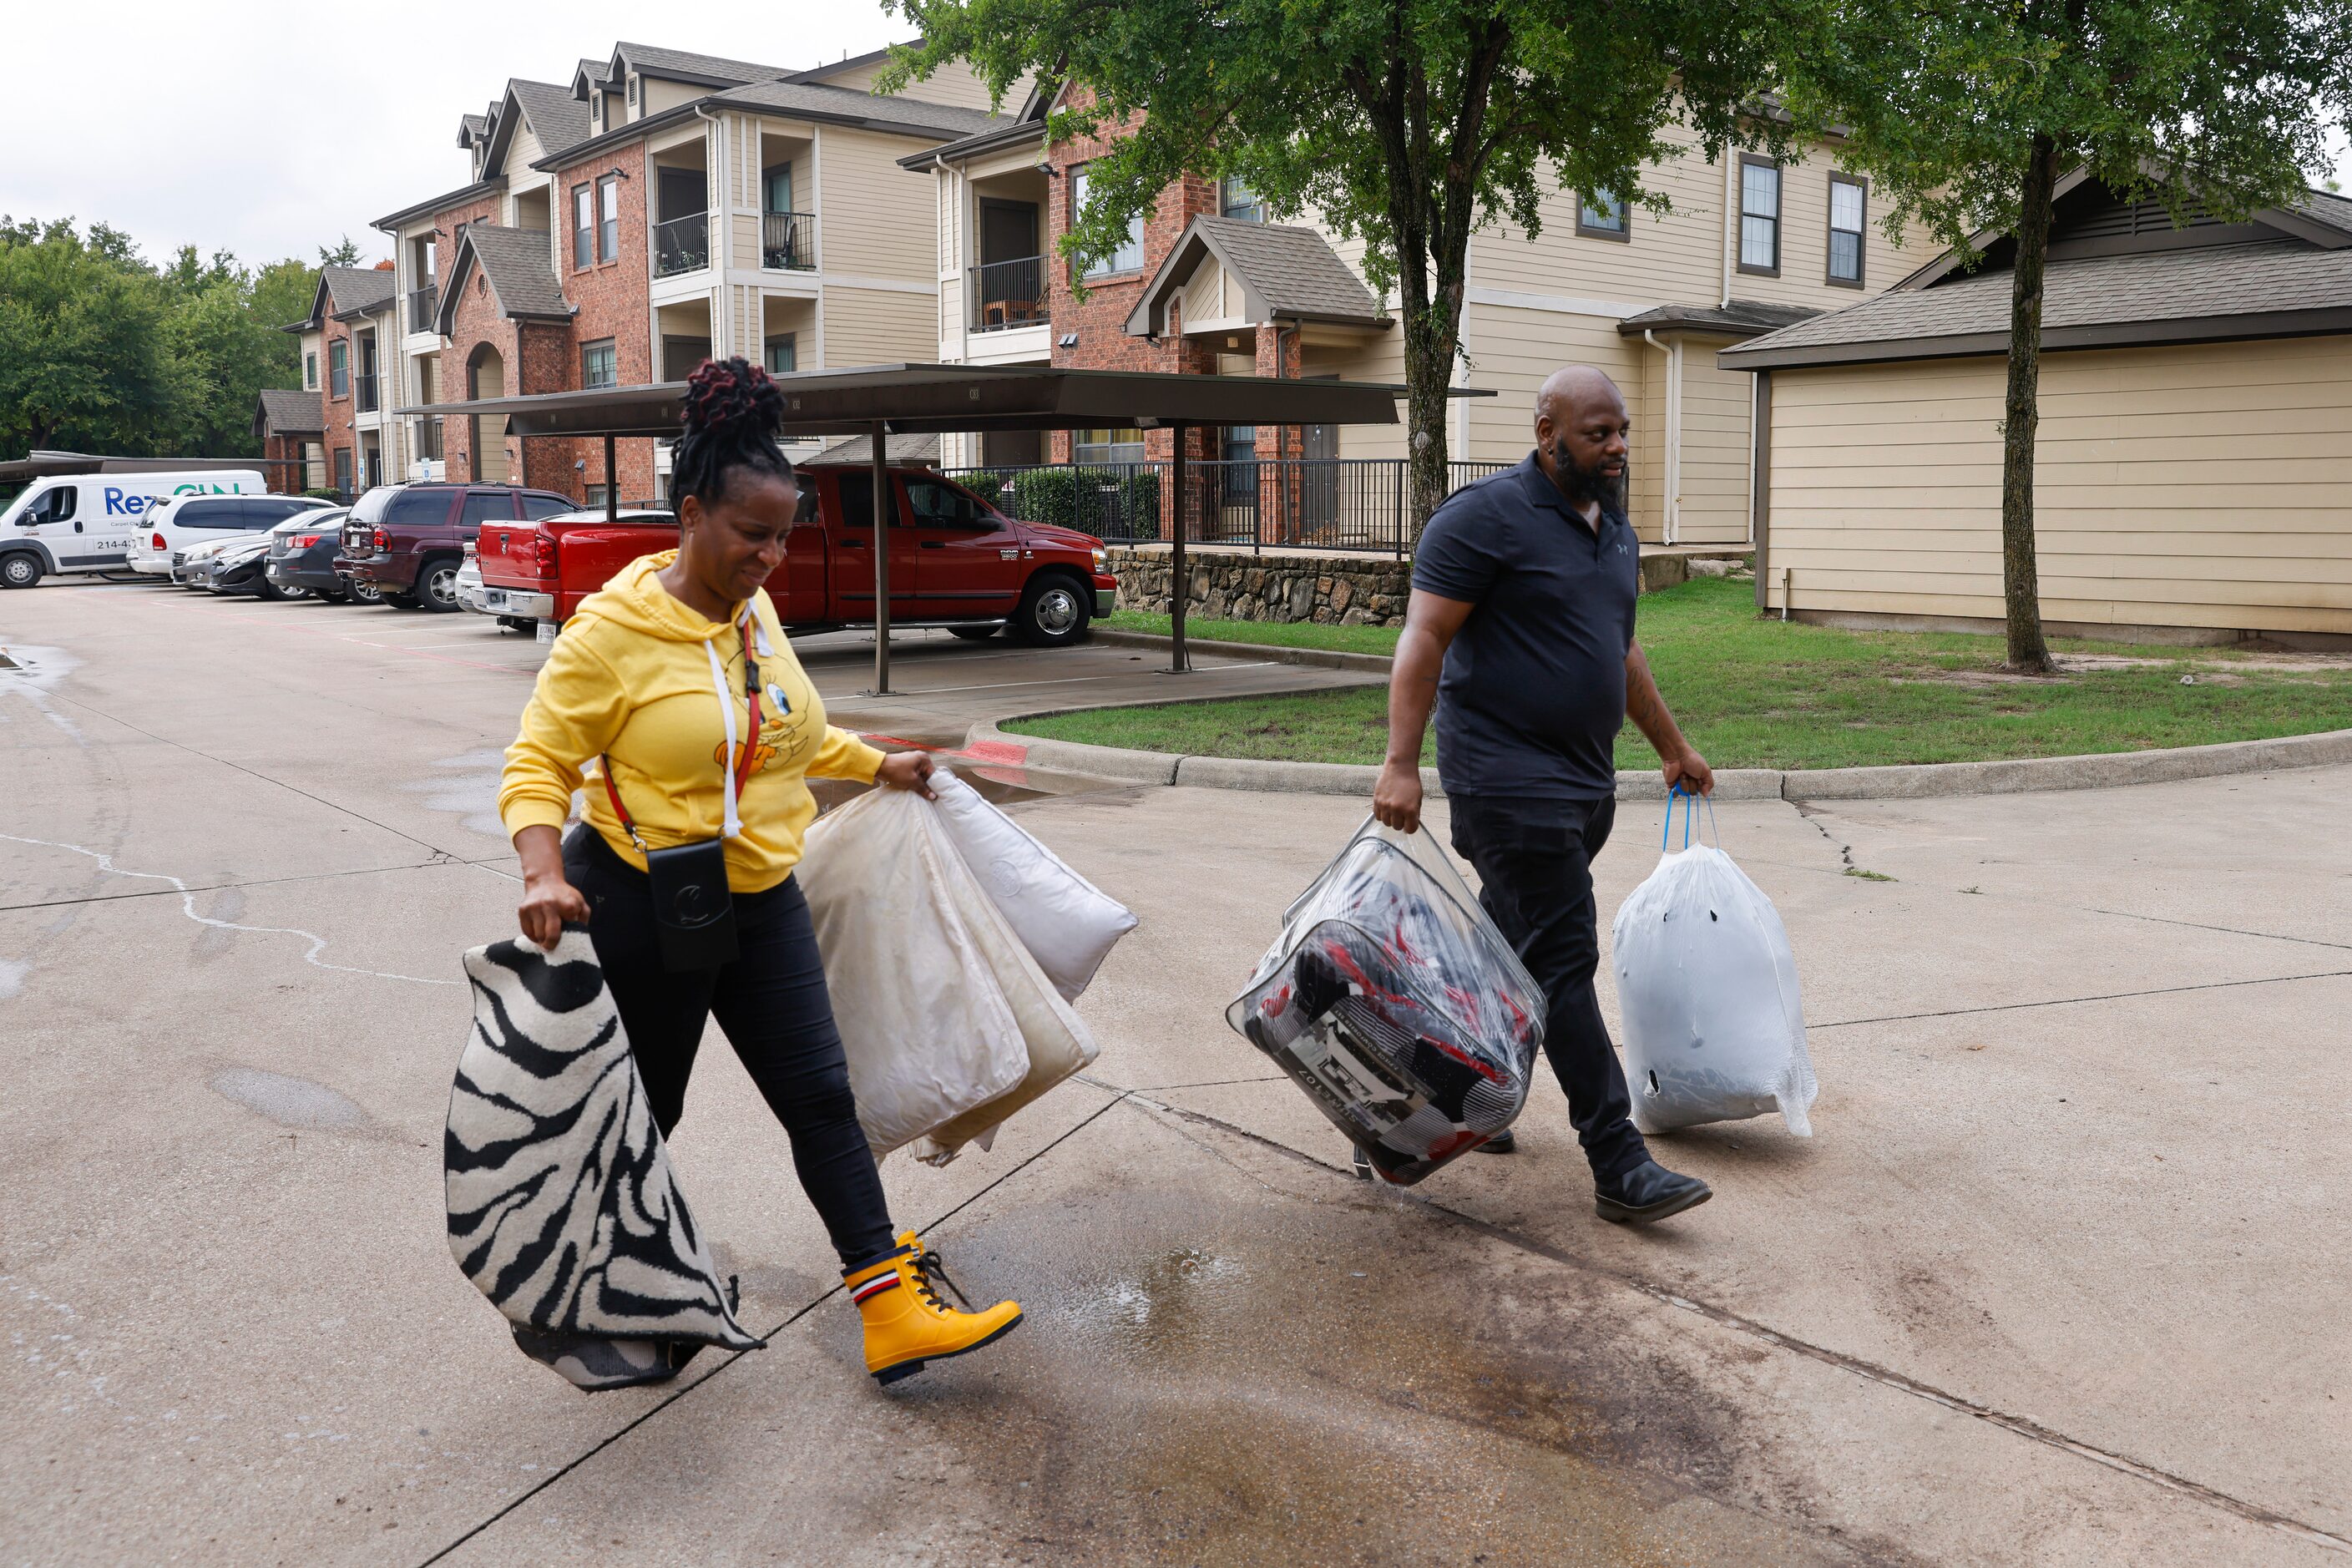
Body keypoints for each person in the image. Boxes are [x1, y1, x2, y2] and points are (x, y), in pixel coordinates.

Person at [498, 357, 1023, 1383]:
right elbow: (536, 761)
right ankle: (599, 1295)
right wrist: (538, 872)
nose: (772, 557)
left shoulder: (753, 614)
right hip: (643, 898)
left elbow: (787, 734)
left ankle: (887, 1309)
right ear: (691, 514)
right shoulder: (611, 635)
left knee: (821, 1097)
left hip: (757, 896)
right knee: (646, 1113)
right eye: (753, 534)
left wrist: (881, 762)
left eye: (783, 536)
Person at [1372, 365, 1716, 1225]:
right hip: (1505, 783)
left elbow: (1619, 652)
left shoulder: (1614, 530)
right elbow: (1423, 638)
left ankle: (1422, 1108)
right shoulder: (1482, 520)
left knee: (1504, 963)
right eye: (1598, 434)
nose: (1617, 447)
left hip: (1580, 786)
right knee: (1563, 966)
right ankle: (1616, 1160)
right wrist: (1402, 762)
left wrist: (1671, 746)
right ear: (1546, 433)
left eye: (1622, 431)